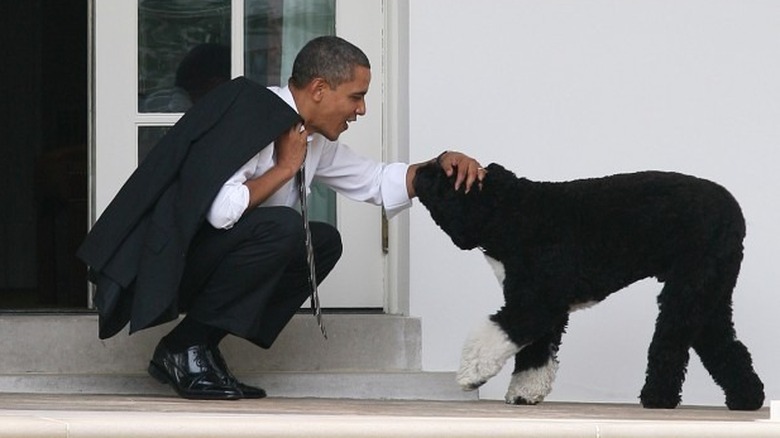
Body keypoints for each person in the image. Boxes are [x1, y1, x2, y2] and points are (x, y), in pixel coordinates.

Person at [78, 36, 484, 400]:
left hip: (213, 262)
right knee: (285, 227)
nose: (361, 109)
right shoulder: (251, 113)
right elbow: (220, 212)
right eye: (356, 96)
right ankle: (185, 350)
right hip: (168, 266)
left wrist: (440, 165)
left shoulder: (311, 136)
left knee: (323, 242)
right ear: (320, 89)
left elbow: (377, 181)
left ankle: (192, 344)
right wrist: (285, 169)